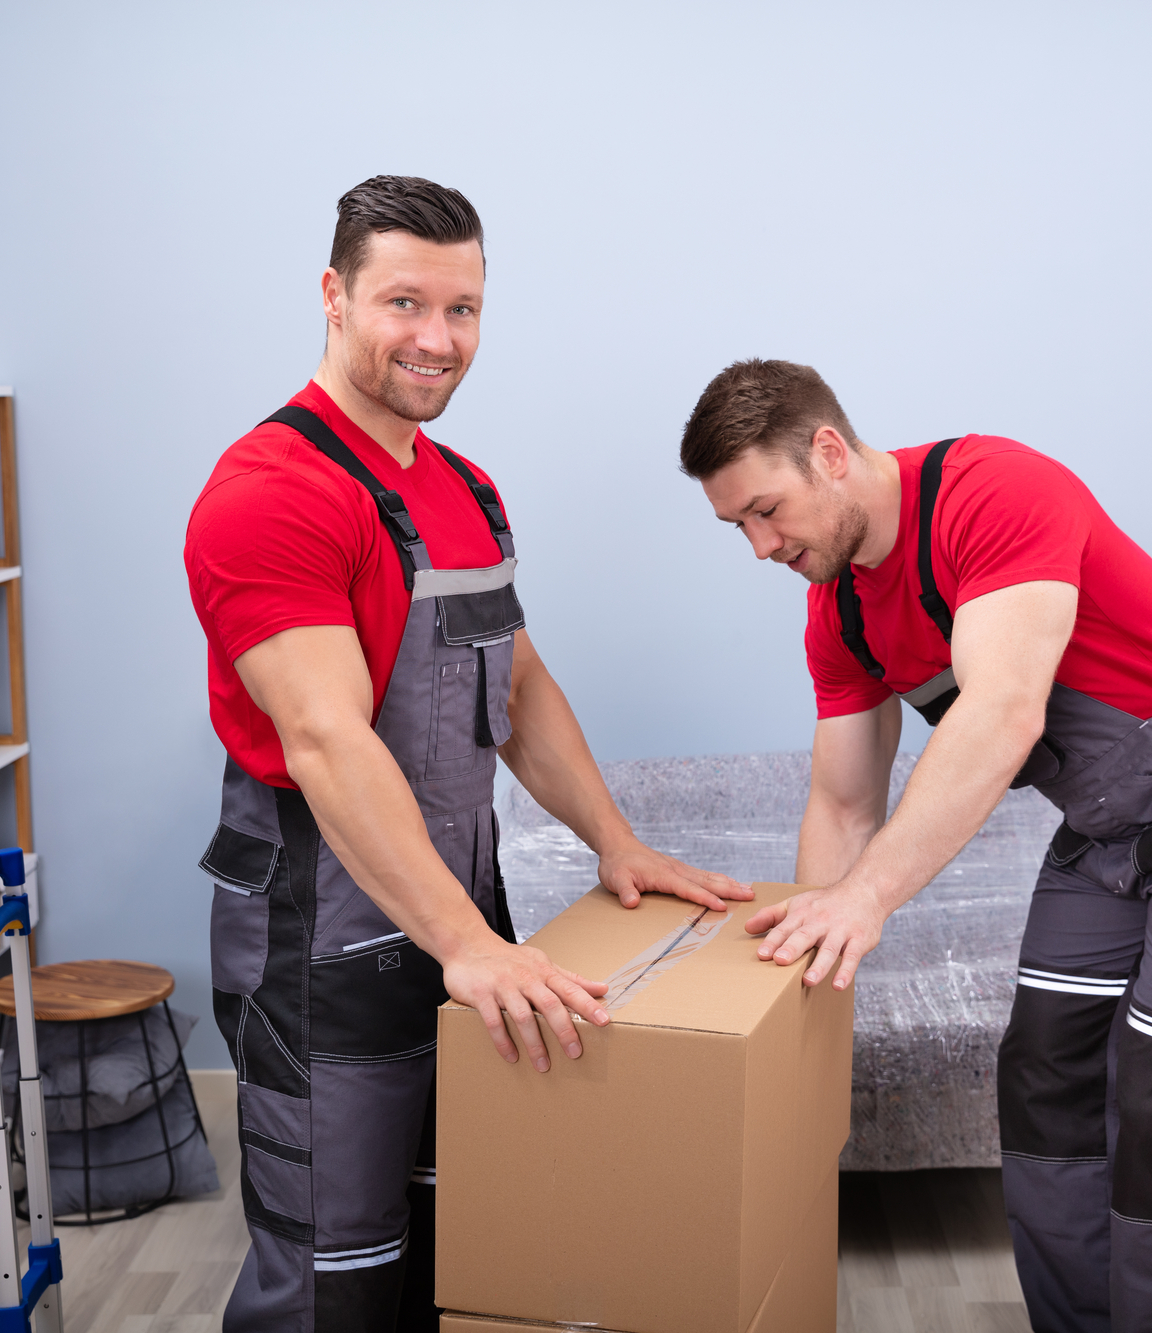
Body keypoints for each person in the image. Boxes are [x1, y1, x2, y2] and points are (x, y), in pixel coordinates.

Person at [185, 176, 749, 1333]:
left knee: (452, 1247)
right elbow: (326, 739)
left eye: (463, 310)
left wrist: (615, 843)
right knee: (333, 1276)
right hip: (323, 944)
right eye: (403, 302)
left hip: (458, 921)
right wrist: (467, 947)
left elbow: (521, 686)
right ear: (333, 296)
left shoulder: (462, 489)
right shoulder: (270, 493)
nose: (435, 341)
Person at [677, 360, 1152, 1333]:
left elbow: (1002, 713)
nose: (760, 545)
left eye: (766, 510)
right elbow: (842, 802)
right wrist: (802, 970)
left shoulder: (990, 492)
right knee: (1041, 1078)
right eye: (737, 527)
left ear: (826, 452)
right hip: (1110, 828)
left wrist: (865, 901)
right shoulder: (838, 608)